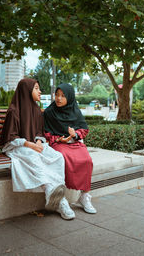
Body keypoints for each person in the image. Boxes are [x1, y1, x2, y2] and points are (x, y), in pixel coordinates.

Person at [0, 78, 75, 220]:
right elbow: (10, 138)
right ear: (26, 90)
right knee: (32, 155)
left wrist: (39, 141)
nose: (40, 91)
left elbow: (39, 133)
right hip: (16, 146)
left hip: (33, 145)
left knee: (57, 156)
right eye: (36, 88)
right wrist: (29, 144)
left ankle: (58, 196)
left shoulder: (36, 110)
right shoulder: (14, 111)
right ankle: (51, 193)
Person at [43, 83, 96, 214]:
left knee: (87, 160)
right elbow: (45, 133)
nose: (59, 99)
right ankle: (62, 199)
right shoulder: (50, 112)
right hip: (58, 143)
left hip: (74, 143)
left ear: (70, 98)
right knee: (64, 158)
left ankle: (84, 197)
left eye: (63, 96)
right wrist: (58, 139)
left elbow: (83, 129)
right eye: (57, 95)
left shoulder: (75, 111)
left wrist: (75, 134)